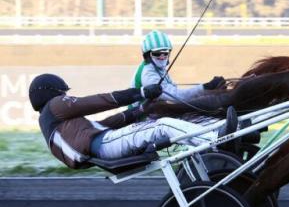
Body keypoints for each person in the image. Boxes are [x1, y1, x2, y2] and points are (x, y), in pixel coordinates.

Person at [28, 73, 236, 168]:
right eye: (63, 92)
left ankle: (215, 135)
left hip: (101, 145)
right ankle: (217, 138)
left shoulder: (57, 125)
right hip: (103, 146)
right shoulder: (55, 105)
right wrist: (141, 92)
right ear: (52, 93)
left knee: (159, 124)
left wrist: (138, 111)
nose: (65, 95)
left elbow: (101, 125)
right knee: (163, 124)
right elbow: (98, 102)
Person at [132, 30, 226, 109]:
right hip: (143, 118)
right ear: (148, 55)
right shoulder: (148, 74)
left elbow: (173, 90)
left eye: (165, 52)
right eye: (157, 53)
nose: (162, 56)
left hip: (156, 111)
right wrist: (206, 87)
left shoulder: (157, 67)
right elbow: (177, 96)